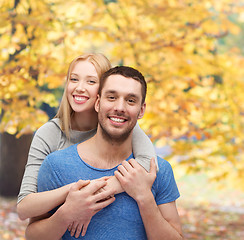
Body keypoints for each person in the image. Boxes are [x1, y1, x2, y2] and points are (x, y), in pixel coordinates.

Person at [26, 66, 183, 240]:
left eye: (131, 100)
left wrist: (144, 197)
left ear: (141, 110)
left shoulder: (157, 170)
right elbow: (33, 236)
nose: (120, 107)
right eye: (112, 97)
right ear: (98, 102)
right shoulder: (56, 165)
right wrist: (66, 213)